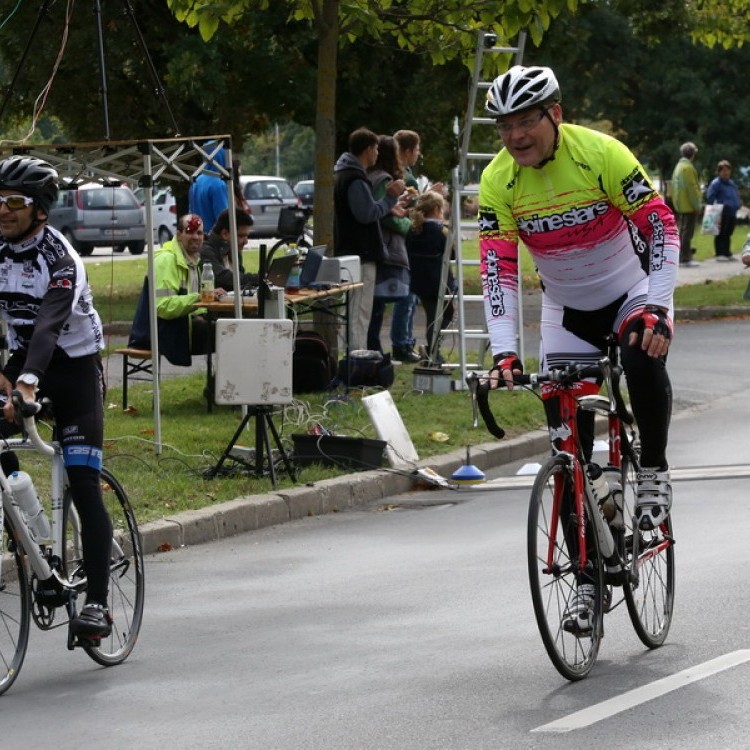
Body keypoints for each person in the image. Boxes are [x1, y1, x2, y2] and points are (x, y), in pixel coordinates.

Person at [479, 65, 679, 633]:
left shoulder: (601, 154)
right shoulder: (498, 182)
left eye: (526, 121)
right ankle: (588, 584)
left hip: (627, 291)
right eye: (504, 125)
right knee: (568, 451)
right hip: (565, 309)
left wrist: (658, 306)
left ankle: (656, 475)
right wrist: (503, 352)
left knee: (642, 352)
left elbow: (661, 225)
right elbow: (497, 269)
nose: (516, 135)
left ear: (555, 116)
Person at [0, 156, 113, 639]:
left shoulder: (60, 258)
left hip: (73, 369)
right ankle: (30, 538)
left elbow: (48, 327)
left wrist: (25, 385)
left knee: (84, 483)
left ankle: (99, 605)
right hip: (23, 358)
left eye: (14, 202)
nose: (2, 210)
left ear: (40, 210)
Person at [333, 127, 408, 350]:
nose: (377, 154)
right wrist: (390, 198)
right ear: (368, 150)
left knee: (353, 311)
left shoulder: (345, 175)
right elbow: (366, 214)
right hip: (360, 253)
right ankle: (356, 359)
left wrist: (386, 205)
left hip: (351, 251)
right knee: (359, 311)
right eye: (375, 149)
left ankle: (351, 356)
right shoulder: (355, 178)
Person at [392, 129, 446, 361]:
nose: (419, 153)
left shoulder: (405, 173)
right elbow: (409, 208)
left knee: (411, 301)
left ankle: (406, 343)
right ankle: (402, 344)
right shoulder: (399, 175)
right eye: (416, 149)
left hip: (408, 247)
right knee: (407, 300)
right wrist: (428, 195)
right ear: (407, 150)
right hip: (406, 251)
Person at [366, 135, 416, 362]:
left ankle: (375, 350)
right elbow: (383, 215)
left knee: (376, 306)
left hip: (380, 245)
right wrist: (408, 224)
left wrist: (398, 205)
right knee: (378, 305)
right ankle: (374, 352)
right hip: (384, 248)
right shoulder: (382, 179)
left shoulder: (371, 177)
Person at [155, 213, 224, 366]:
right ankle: (218, 387)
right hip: (168, 332)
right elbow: (163, 307)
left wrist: (214, 300)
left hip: (187, 325)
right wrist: (200, 297)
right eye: (190, 231)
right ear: (179, 235)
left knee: (234, 323)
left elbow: (195, 307)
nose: (195, 237)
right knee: (230, 333)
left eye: (199, 233)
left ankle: (219, 385)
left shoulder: (192, 260)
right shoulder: (166, 260)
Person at [405, 190, 455, 364]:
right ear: (436, 209)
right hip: (440, 281)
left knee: (432, 316)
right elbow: (453, 254)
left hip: (419, 281)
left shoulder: (413, 230)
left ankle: (433, 349)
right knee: (445, 315)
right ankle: (433, 350)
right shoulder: (442, 231)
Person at [200, 208, 258, 292]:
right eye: (241, 236)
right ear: (225, 234)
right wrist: (261, 278)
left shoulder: (234, 249)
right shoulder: (206, 250)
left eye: (247, 236)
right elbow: (226, 279)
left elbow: (241, 279)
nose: (246, 241)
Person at [670, 142, 702, 267]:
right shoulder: (688, 168)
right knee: (687, 232)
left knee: (682, 230)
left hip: (680, 204)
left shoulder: (678, 166)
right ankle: (685, 258)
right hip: (688, 205)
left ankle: (683, 255)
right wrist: (697, 205)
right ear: (693, 153)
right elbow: (692, 190)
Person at [189, 142, 230, 234]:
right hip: (214, 238)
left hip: (198, 235)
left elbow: (191, 212)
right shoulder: (218, 184)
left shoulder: (196, 181)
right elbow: (224, 218)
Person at [706, 160, 741, 261]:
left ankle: (727, 252)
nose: (726, 172)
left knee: (728, 232)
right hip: (721, 212)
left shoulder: (731, 183)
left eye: (728, 170)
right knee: (721, 232)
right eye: (723, 170)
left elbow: (735, 195)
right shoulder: (716, 183)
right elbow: (711, 197)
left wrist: (737, 204)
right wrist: (711, 210)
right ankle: (720, 253)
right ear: (719, 172)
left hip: (732, 212)